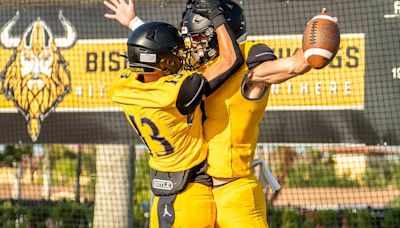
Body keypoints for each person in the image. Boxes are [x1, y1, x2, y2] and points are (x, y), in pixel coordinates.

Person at [105, 0, 330, 227]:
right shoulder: (194, 73)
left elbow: (295, 65)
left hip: (235, 191)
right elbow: (163, 53)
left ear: (221, 34)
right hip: (201, 192)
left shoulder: (251, 72)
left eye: (199, 38)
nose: (193, 46)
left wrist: (320, 35)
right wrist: (135, 23)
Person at [109, 3, 243, 227]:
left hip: (162, 191)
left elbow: (151, 54)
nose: (183, 56)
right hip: (191, 193)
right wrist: (216, 15)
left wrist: (134, 23)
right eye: (177, 54)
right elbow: (231, 60)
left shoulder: (122, 86)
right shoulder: (178, 92)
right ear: (166, 61)